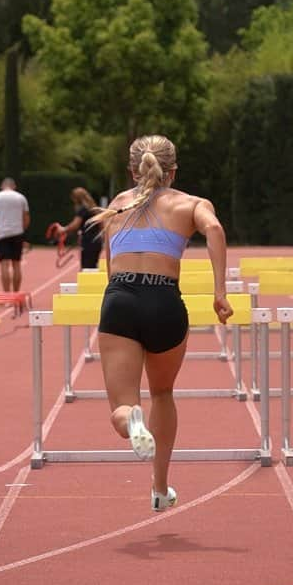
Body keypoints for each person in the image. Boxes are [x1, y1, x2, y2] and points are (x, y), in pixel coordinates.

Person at [90, 134, 233, 512]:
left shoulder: (117, 206)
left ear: (131, 170)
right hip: (165, 300)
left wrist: (118, 301)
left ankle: (131, 420)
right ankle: (159, 487)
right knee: (163, 394)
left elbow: (110, 266)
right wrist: (220, 292)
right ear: (173, 171)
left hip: (120, 299)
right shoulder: (190, 204)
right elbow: (215, 230)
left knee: (121, 406)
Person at [0, 177, 30, 292]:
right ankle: (16, 293)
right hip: (17, 232)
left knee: (4, 264)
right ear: (14, 186)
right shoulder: (21, 198)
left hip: (2, 233)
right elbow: (26, 217)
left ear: (2, 186)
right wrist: (22, 230)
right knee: (16, 264)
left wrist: (0, 227)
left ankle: (6, 294)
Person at [57, 187, 103, 269]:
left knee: (86, 268)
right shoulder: (94, 209)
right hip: (96, 241)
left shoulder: (83, 209)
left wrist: (64, 229)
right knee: (93, 266)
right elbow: (101, 225)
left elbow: (75, 224)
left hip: (88, 242)